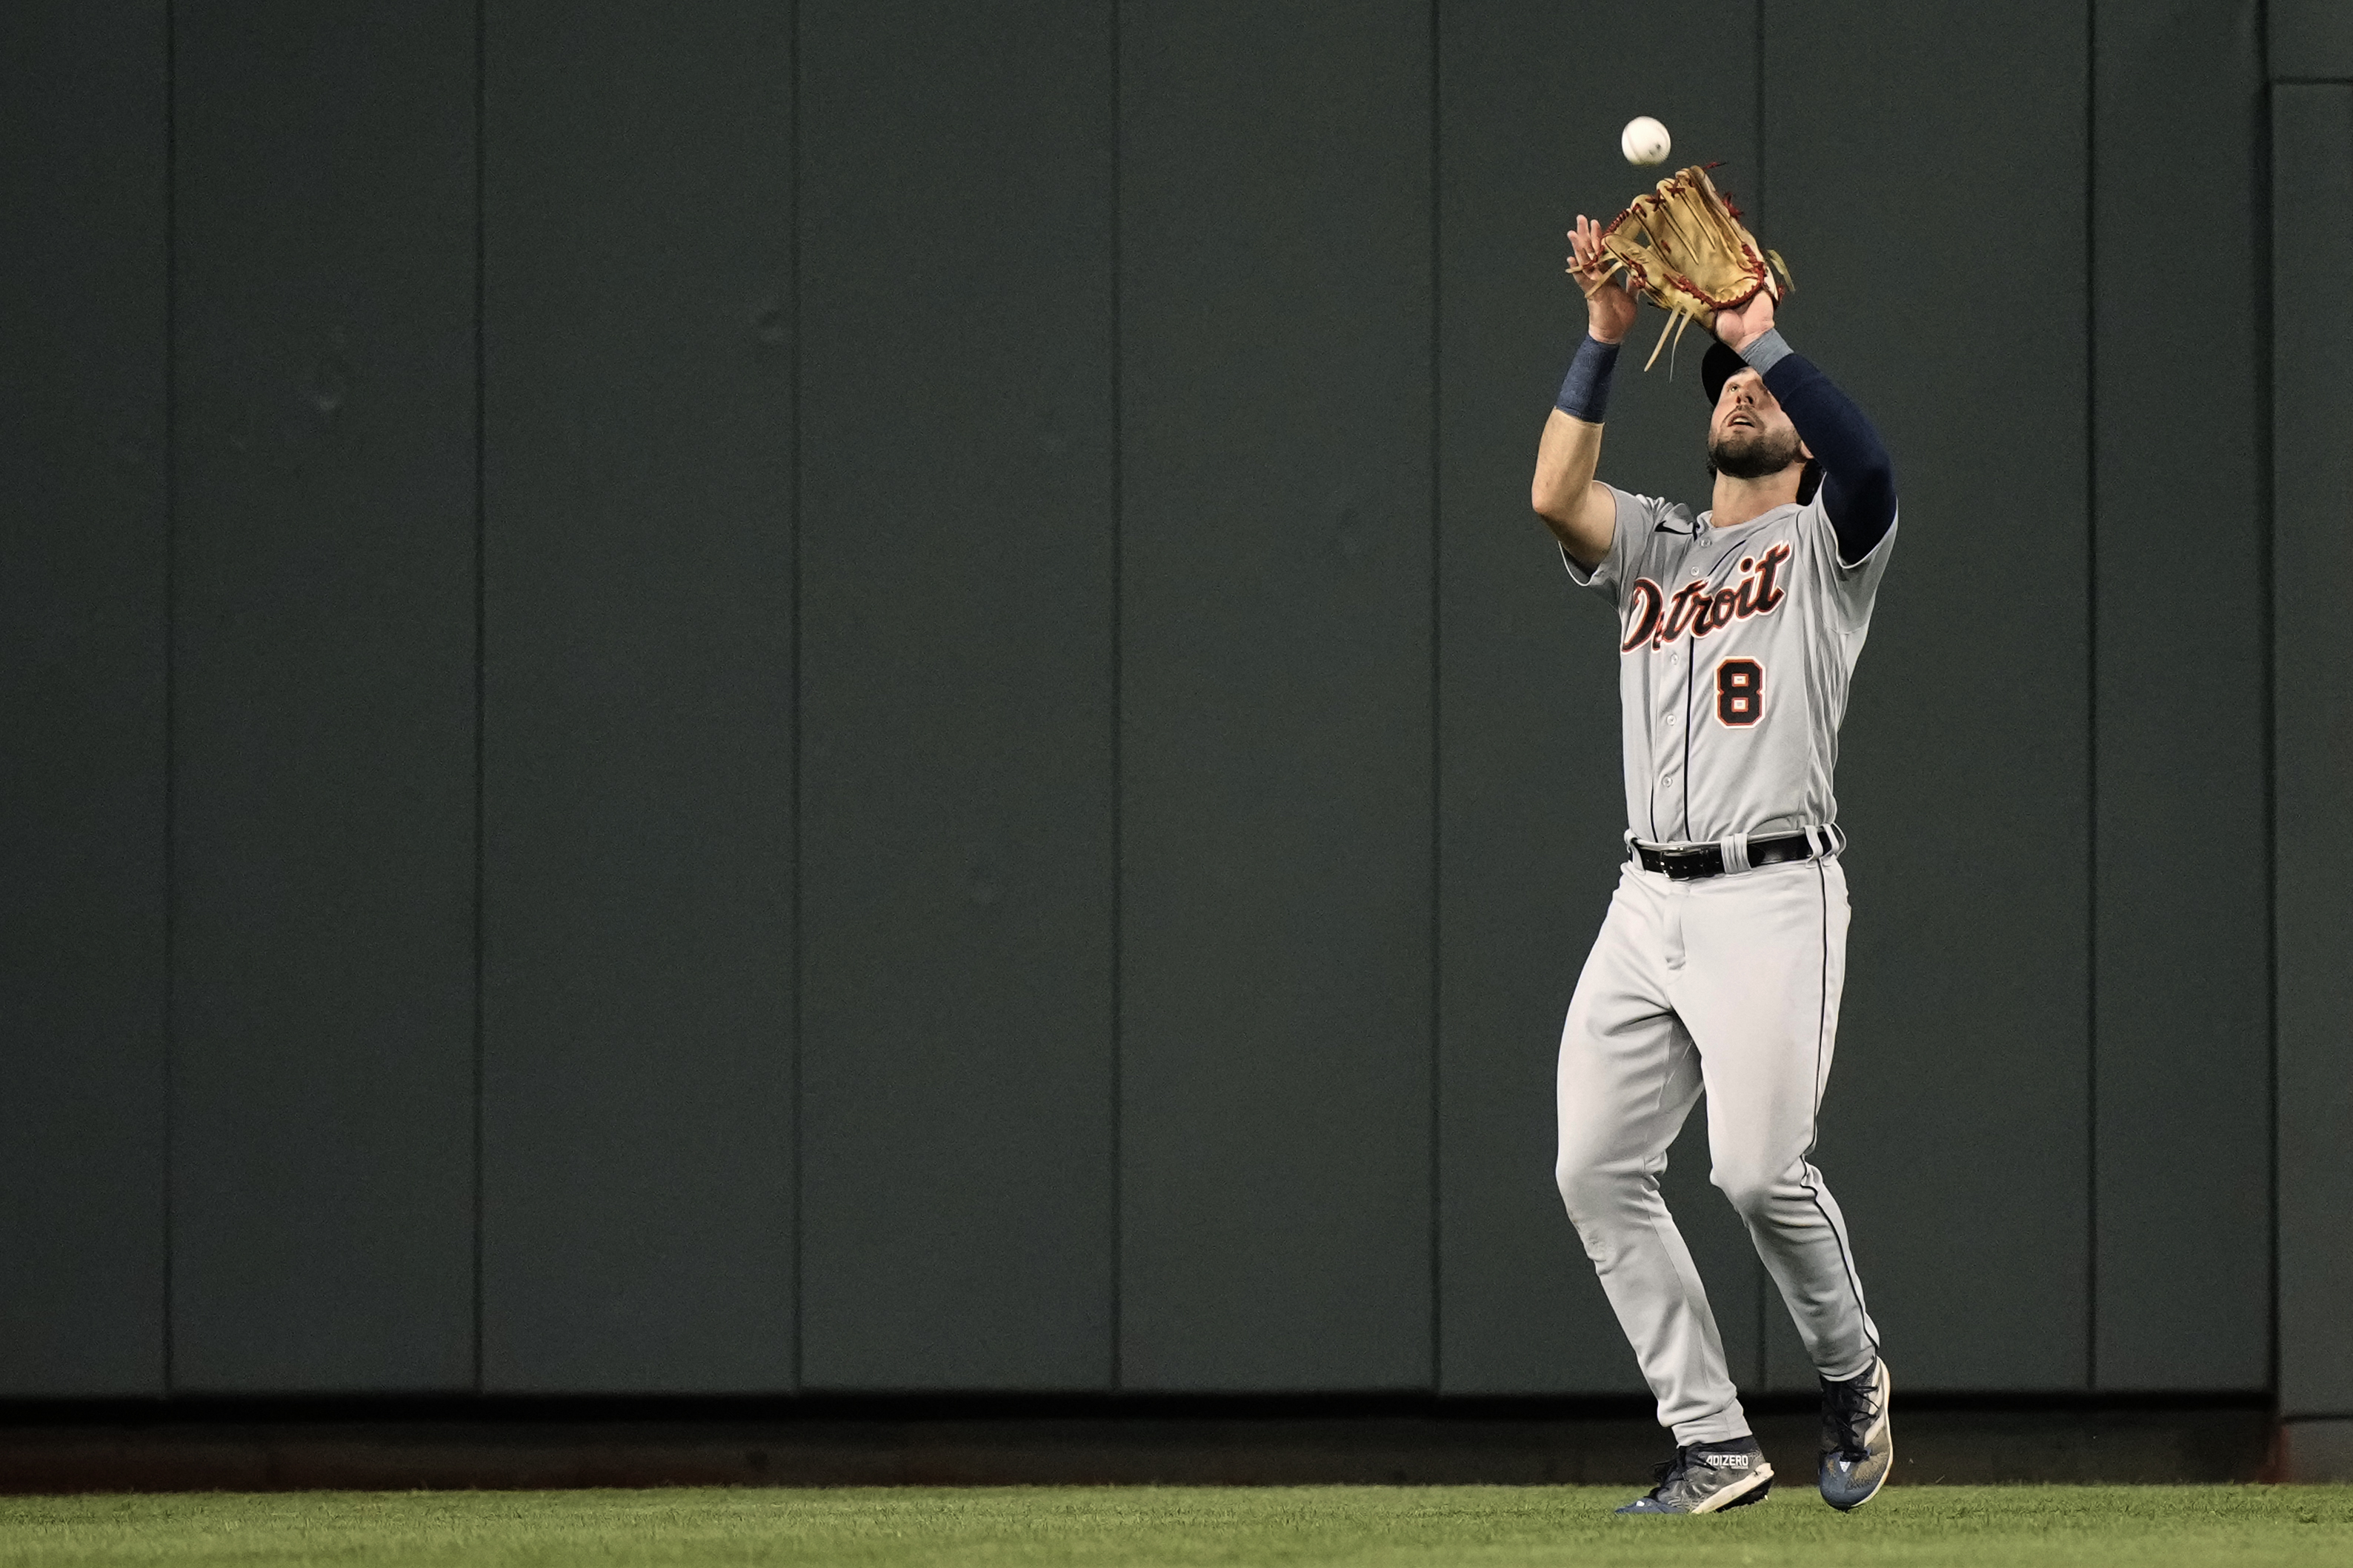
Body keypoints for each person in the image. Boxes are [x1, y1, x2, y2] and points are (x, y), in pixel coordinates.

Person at [1527, 212, 1899, 1515]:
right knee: (1593, 1166)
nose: (1740, 391)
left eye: (1759, 388)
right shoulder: (1657, 542)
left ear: (1795, 436)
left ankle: (1851, 1372)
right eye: (1728, 383)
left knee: (1755, 1170)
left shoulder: (1825, 548)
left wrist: (1762, 333)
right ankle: (1716, 1442)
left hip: (1772, 892)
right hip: (1647, 901)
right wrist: (1600, 338)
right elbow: (1554, 498)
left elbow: (1873, 468)